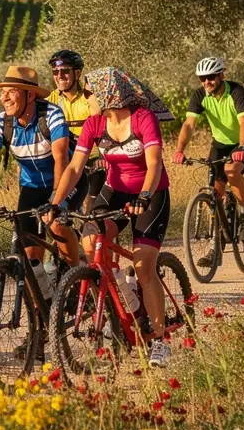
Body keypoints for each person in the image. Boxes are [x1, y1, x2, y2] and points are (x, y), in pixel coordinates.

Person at [47, 66, 174, 368]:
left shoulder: (143, 119)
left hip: (151, 193)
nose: (86, 98)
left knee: (144, 266)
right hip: (114, 191)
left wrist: (144, 196)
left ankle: (159, 340)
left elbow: (154, 163)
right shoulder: (94, 123)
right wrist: (56, 202)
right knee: (92, 245)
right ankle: (124, 298)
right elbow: (75, 167)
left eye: (89, 93)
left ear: (108, 94)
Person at [0, 65, 77, 270]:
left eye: (11, 91)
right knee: (31, 259)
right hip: (32, 187)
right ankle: (43, 298)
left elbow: (61, 159)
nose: (4, 98)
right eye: (2, 92)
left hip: (66, 181)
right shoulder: (0, 123)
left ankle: (78, 279)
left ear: (30, 95)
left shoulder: (51, 115)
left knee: (56, 225)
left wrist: (56, 200)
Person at [172, 57, 244, 247]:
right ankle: (216, 241)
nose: (206, 82)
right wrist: (179, 150)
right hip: (220, 143)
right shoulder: (199, 95)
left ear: (221, 74)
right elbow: (189, 124)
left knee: (231, 171)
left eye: (211, 77)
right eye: (202, 79)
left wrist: (242, 148)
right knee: (215, 191)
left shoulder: (236, 92)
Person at [46, 49, 104, 214]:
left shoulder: (88, 99)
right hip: (65, 158)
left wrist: (102, 157)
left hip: (89, 158)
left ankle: (94, 220)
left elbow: (101, 130)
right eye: (55, 72)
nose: (60, 76)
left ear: (77, 73)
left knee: (98, 176)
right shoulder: (52, 100)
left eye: (65, 71)